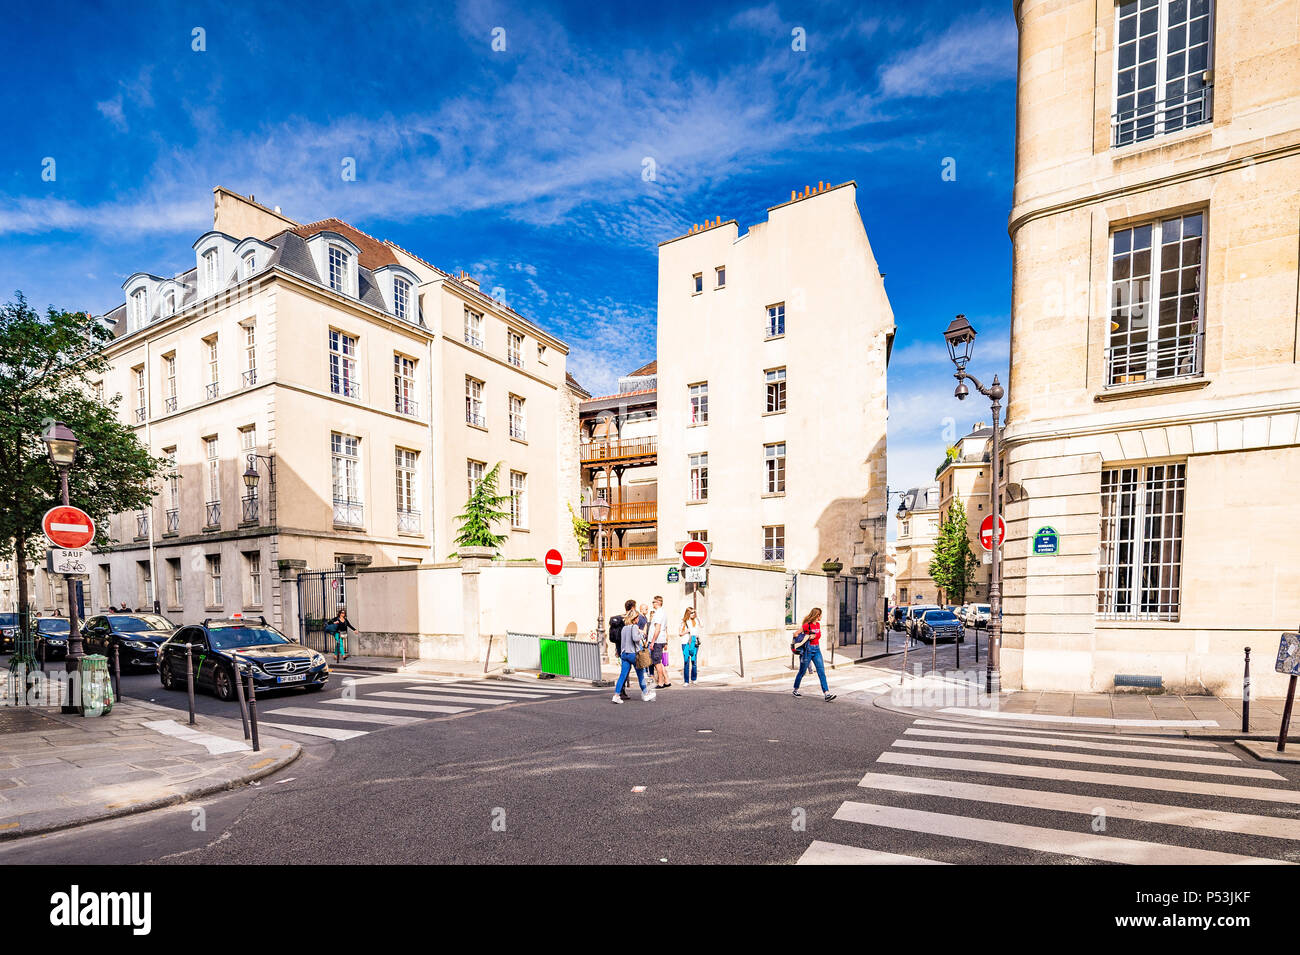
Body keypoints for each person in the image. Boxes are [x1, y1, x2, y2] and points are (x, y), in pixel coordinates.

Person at [613, 598, 655, 704]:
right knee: (640, 675)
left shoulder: (624, 628)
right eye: (637, 618)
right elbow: (636, 639)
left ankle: (616, 695)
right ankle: (645, 694)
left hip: (624, 654)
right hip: (633, 654)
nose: (638, 619)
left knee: (623, 675)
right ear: (634, 618)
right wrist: (642, 634)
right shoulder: (635, 627)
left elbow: (622, 642)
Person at [792, 607, 835, 702]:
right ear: (817, 615)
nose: (821, 616)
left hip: (817, 650)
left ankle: (826, 693)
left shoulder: (818, 625)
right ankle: (795, 689)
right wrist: (805, 637)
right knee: (802, 671)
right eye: (821, 615)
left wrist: (815, 635)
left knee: (821, 671)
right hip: (808, 650)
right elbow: (795, 634)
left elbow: (819, 635)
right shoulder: (807, 625)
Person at [648, 595, 670, 688]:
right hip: (659, 640)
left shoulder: (659, 613)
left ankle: (660, 682)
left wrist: (652, 641)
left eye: (654, 602)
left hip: (657, 641)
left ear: (659, 602)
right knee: (659, 661)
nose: (652, 603)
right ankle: (667, 680)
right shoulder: (661, 612)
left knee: (656, 662)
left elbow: (657, 628)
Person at [680, 607, 701, 685]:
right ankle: (686, 681)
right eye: (691, 612)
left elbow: (702, 625)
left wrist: (697, 616)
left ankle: (694, 679)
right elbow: (680, 633)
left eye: (694, 612)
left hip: (694, 642)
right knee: (686, 662)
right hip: (685, 643)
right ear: (688, 613)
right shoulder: (683, 622)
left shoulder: (695, 621)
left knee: (694, 661)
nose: (693, 614)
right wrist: (687, 631)